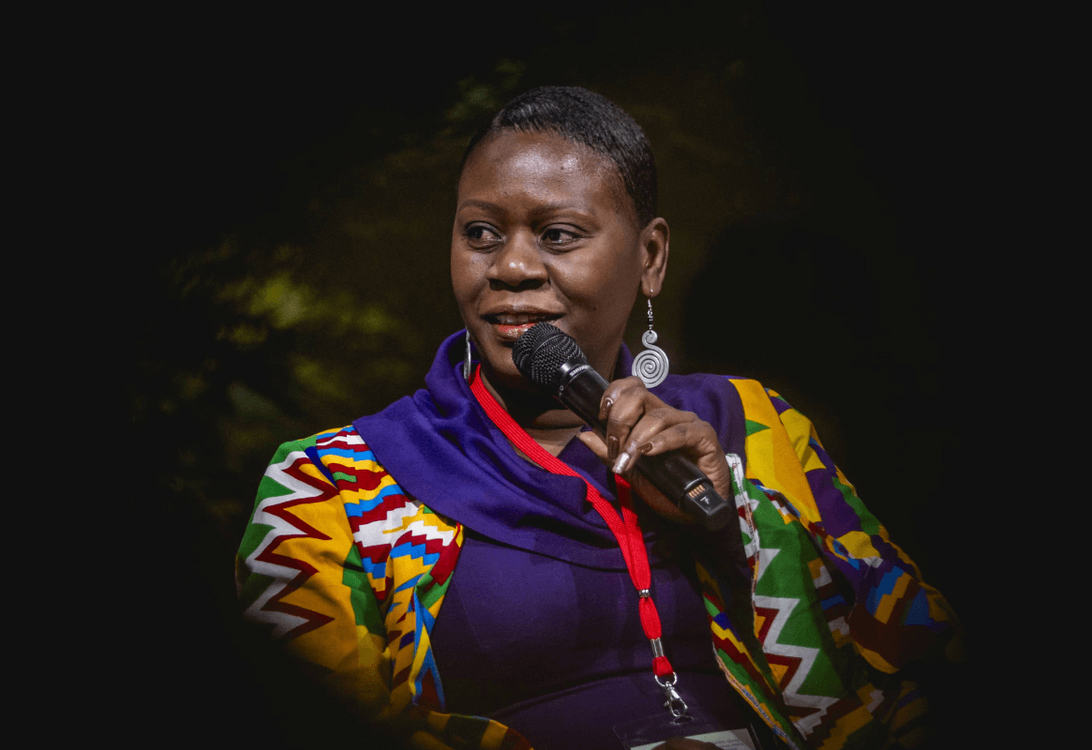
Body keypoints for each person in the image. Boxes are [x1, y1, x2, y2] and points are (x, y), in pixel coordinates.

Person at [235, 87, 960, 750]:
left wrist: (726, 528)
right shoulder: (332, 484)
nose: (510, 267)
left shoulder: (752, 424)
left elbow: (921, 647)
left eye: (557, 235)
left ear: (649, 257)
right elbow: (308, 719)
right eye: (481, 233)